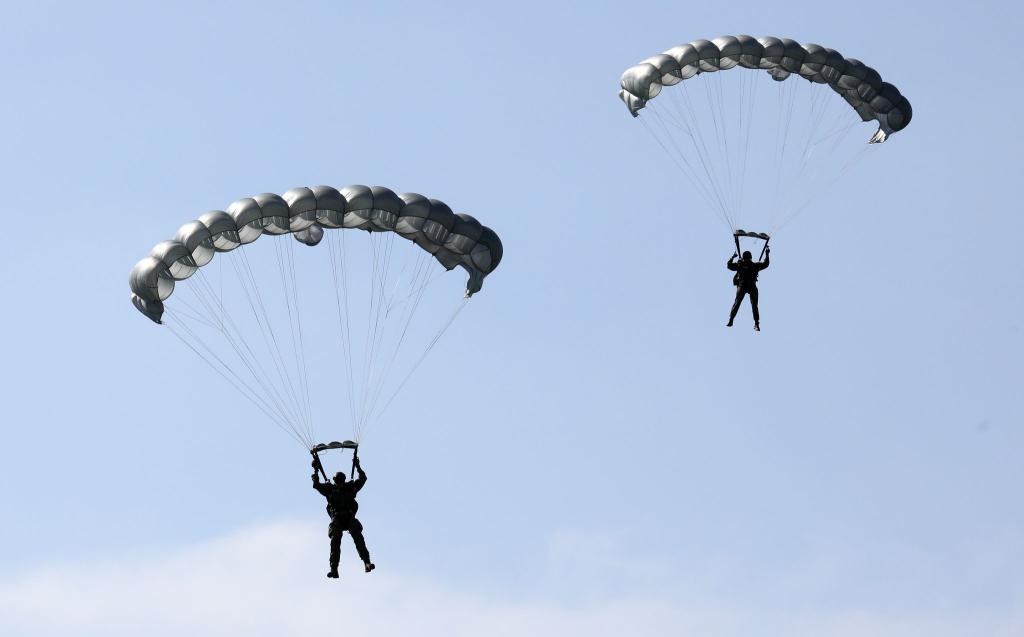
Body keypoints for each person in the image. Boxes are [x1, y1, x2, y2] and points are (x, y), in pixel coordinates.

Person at [311, 456, 375, 578]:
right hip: (337, 519)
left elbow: (363, 478)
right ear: (335, 481)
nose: (339, 484)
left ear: (344, 481)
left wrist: (357, 466)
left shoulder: (350, 487)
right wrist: (316, 469)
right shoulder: (330, 489)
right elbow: (316, 485)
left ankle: (367, 562)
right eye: (338, 482)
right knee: (335, 540)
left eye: (341, 481)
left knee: (358, 537)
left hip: (349, 517)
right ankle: (334, 568)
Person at [727, 247, 770, 331]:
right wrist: (767, 254)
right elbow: (765, 264)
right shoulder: (747, 265)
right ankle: (732, 319)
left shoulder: (746, 265)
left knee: (751, 305)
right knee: (740, 303)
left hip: (748, 286)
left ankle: (755, 323)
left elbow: (729, 265)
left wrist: (732, 257)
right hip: (745, 286)